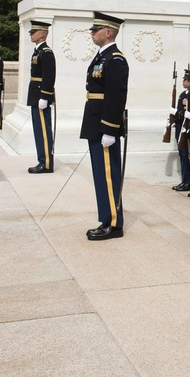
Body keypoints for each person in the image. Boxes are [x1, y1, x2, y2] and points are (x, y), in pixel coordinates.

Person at [81, 12, 129, 241]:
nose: (92, 32)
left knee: (108, 175)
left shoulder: (116, 59)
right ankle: (105, 218)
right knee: (101, 174)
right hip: (95, 121)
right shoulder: (102, 56)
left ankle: (113, 224)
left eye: (95, 29)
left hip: (104, 125)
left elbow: (116, 97)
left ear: (108, 32)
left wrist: (110, 129)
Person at [27, 20, 57, 174]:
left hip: (40, 95)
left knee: (43, 130)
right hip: (35, 94)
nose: (31, 34)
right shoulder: (38, 51)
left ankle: (45, 163)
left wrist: (45, 96)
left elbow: (49, 76)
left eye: (34, 32)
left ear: (42, 34)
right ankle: (42, 160)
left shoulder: (46, 52)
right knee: (38, 130)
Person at [171, 70, 190, 191]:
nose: (183, 81)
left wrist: (177, 113)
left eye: (185, 80)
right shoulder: (183, 94)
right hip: (180, 128)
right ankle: (185, 180)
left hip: (187, 129)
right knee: (182, 155)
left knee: (188, 156)